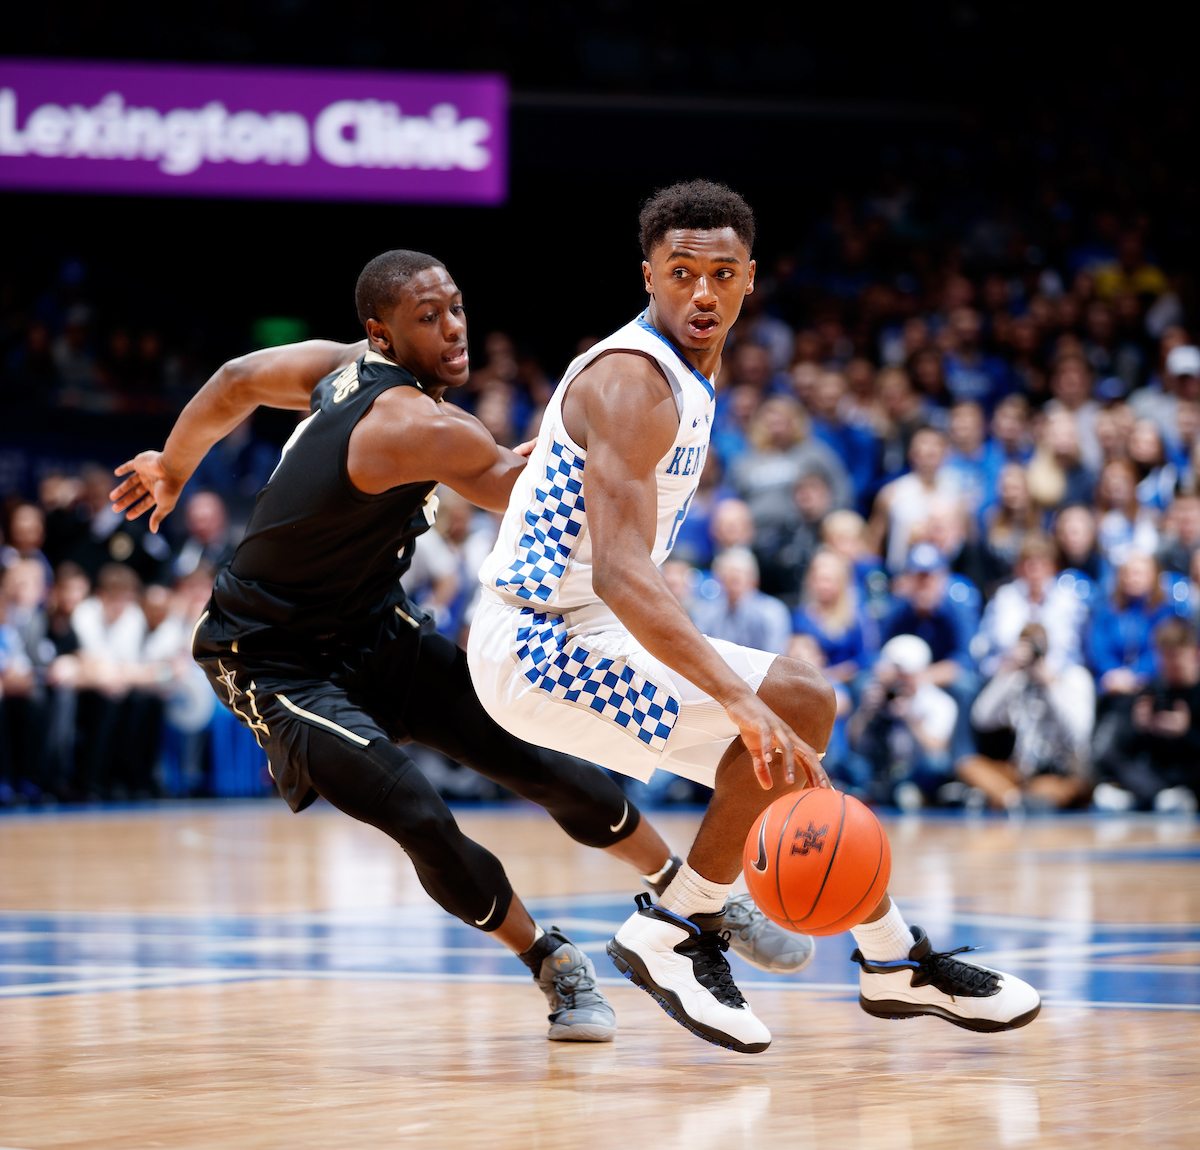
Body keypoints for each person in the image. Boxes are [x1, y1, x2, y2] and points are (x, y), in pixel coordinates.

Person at [109, 247, 811, 1046]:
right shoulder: (418, 426)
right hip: (270, 659)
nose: (452, 331)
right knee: (418, 812)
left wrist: (172, 464)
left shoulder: (339, 366)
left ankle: (692, 894)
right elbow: (520, 488)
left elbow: (236, 378)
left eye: (455, 309)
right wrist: (626, 438)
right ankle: (552, 962)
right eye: (426, 319)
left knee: (542, 760)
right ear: (382, 333)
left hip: (376, 629)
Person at [468, 180, 1039, 1051]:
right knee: (775, 718)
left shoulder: (686, 366)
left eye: (722, 274)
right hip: (539, 641)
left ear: (749, 280)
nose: (702, 292)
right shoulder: (633, 379)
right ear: (649, 275)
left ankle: (890, 960)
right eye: (683, 272)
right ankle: (672, 932)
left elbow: (579, 502)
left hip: (583, 622)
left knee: (797, 723)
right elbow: (622, 570)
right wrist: (735, 694)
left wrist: (544, 456)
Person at [957, 623, 1094, 811]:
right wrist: (1007, 671)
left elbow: (1078, 736)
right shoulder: (1017, 679)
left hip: (1060, 773)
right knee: (968, 766)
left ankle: (1003, 797)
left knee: (1056, 789)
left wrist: (1050, 686)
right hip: (1022, 772)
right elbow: (981, 718)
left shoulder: (1074, 678)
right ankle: (1014, 800)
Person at [1092, 617, 1200, 813]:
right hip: (1156, 778)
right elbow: (1117, 752)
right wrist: (1138, 727)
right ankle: (1151, 796)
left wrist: (1186, 732)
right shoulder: (1152, 692)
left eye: (1177, 656)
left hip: (1191, 780)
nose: (1171, 664)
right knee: (1109, 790)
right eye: (1166, 657)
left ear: (1195, 654)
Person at [847, 634, 957, 810]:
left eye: (905, 674)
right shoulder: (874, 694)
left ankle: (918, 793)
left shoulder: (939, 702)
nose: (899, 680)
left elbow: (937, 748)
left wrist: (910, 718)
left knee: (937, 764)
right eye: (895, 674)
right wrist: (866, 712)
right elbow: (853, 741)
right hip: (880, 768)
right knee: (853, 764)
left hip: (915, 769)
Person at [868, 426, 963, 573]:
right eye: (921, 452)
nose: (926, 458)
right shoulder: (892, 493)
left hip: (944, 576)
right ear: (912, 453)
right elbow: (874, 542)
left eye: (932, 453)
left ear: (945, 452)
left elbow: (965, 540)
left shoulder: (956, 493)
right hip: (901, 575)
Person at [688, 547, 791, 655]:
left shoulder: (772, 611)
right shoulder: (706, 610)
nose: (734, 581)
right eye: (728, 576)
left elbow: (774, 655)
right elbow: (698, 648)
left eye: (739, 577)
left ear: (754, 579)